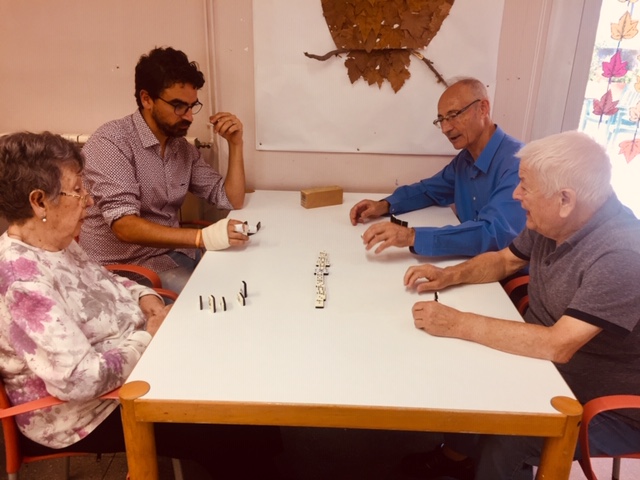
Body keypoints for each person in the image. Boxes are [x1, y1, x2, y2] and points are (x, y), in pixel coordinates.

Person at [0, 132, 282, 478]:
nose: (89, 200)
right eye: (77, 190)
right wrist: (150, 337)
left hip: (133, 364)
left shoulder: (54, 242)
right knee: (229, 427)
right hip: (84, 414)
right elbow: (79, 381)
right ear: (39, 202)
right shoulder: (23, 282)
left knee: (238, 379)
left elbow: (105, 281)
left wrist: (144, 296)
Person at [400, 130, 640, 479]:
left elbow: (558, 345)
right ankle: (458, 459)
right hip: (544, 366)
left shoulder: (622, 255)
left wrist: (458, 323)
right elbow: (504, 261)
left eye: (525, 186)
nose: (516, 194)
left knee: (509, 436)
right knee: (465, 378)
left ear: (565, 199)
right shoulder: (554, 220)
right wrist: (449, 275)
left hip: (605, 406)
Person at [80, 46, 250, 293]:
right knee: (215, 296)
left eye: (192, 106)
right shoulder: (111, 142)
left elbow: (231, 199)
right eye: (179, 106)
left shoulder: (181, 148)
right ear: (147, 99)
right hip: (127, 269)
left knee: (243, 277)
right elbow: (124, 225)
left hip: (174, 254)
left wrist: (235, 144)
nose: (189, 117)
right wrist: (201, 238)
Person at [350, 77, 526, 257]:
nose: (445, 128)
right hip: (470, 260)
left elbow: (493, 234)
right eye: (441, 119)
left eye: (454, 115)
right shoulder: (465, 159)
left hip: (505, 271)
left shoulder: (518, 164)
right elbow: (429, 190)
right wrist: (385, 205)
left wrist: (412, 236)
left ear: (483, 108)